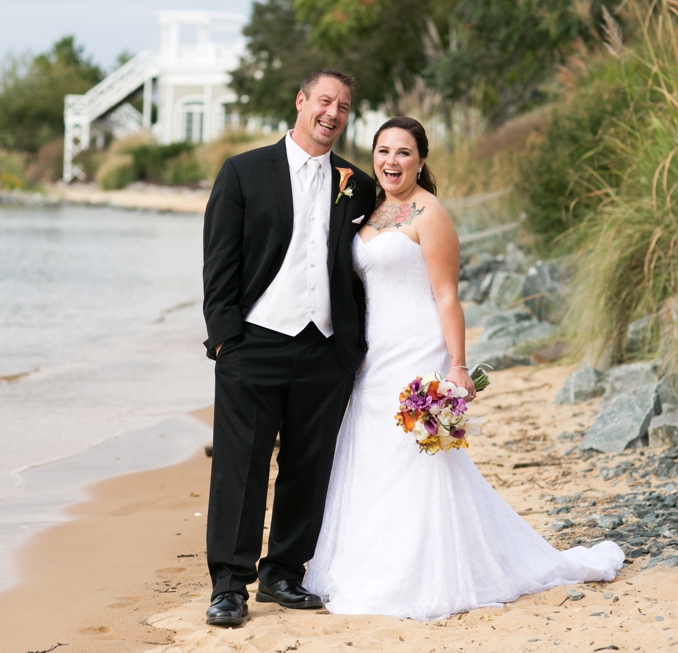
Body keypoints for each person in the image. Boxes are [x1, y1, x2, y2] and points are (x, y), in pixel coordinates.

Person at [303, 116, 625, 620]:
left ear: (421, 160)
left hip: (418, 351)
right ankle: (366, 563)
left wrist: (456, 365)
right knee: (372, 456)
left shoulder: (430, 214)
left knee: (417, 458)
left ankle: (416, 574)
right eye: (383, 151)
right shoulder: (374, 209)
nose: (391, 161)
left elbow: (447, 295)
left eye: (403, 153)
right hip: (375, 356)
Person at [201, 69, 376, 627]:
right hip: (253, 343)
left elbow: (366, 267)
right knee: (240, 466)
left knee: (308, 464)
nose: (333, 113)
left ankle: (283, 573)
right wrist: (227, 339)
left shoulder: (358, 183)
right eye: (324, 101)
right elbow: (218, 263)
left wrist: (351, 347)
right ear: (301, 102)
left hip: (324, 349)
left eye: (343, 106)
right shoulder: (245, 172)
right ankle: (230, 584)